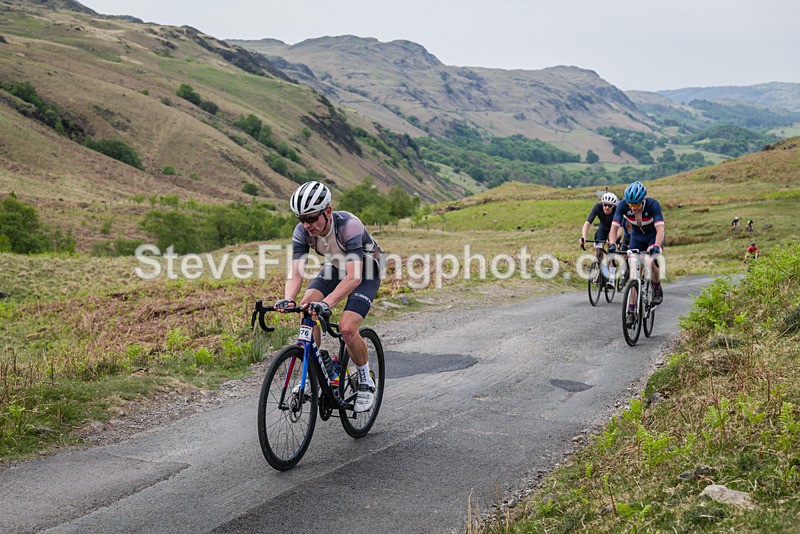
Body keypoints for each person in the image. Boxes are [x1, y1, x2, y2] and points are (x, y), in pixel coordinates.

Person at [275, 181, 383, 412]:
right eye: (302, 219)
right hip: (336, 266)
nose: (307, 225)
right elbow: (295, 272)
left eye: (312, 218)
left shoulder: (349, 227)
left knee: (347, 328)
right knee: (306, 306)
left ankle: (366, 381)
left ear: (328, 211)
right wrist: (289, 299)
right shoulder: (302, 231)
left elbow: (354, 278)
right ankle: (312, 375)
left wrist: (326, 303)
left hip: (366, 270)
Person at [607, 181, 666, 327]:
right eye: (630, 205)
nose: (633, 208)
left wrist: (657, 246)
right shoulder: (622, 206)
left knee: (649, 261)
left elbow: (660, 230)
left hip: (652, 238)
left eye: (637, 205)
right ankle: (631, 311)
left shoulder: (653, 205)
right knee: (633, 271)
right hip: (636, 238)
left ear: (643, 201)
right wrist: (612, 244)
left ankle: (657, 286)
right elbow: (614, 229)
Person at [580, 191, 618, 289]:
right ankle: (602, 270)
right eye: (605, 205)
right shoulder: (597, 207)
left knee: (611, 252)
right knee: (598, 249)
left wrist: (613, 240)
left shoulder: (617, 210)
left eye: (610, 206)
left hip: (615, 229)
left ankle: (612, 279)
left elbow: (621, 227)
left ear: (613, 206)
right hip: (603, 228)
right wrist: (583, 237)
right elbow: (587, 223)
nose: (607, 208)